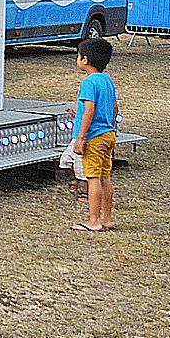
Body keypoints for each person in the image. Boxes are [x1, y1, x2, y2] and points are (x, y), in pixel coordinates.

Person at [71, 37, 119, 233]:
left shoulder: (88, 82)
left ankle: (93, 220)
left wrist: (81, 137)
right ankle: (106, 218)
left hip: (94, 137)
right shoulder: (107, 80)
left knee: (93, 178)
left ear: (85, 59)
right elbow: (114, 107)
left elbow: (90, 109)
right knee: (105, 177)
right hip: (108, 134)